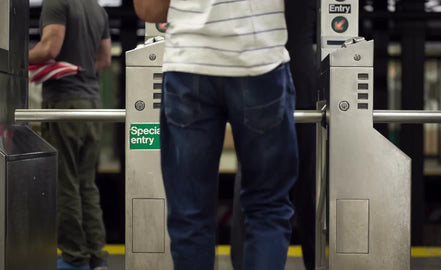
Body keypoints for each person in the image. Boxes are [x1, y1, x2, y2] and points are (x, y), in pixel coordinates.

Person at [134, 0, 299, 269]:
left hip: (189, 64)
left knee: (190, 216)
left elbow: (148, 9)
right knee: (267, 209)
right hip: (259, 62)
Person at [230, 0, 318, 269]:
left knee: (254, 175)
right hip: (301, 71)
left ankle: (244, 262)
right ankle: (316, 260)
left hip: (263, 70)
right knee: (309, 180)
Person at [28, 0, 112, 269]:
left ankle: (74, 257)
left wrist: (18, 56)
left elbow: (49, 48)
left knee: (65, 183)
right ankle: (96, 256)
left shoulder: (56, 2)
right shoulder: (97, 9)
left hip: (64, 103)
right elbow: (104, 59)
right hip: (91, 104)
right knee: (87, 184)